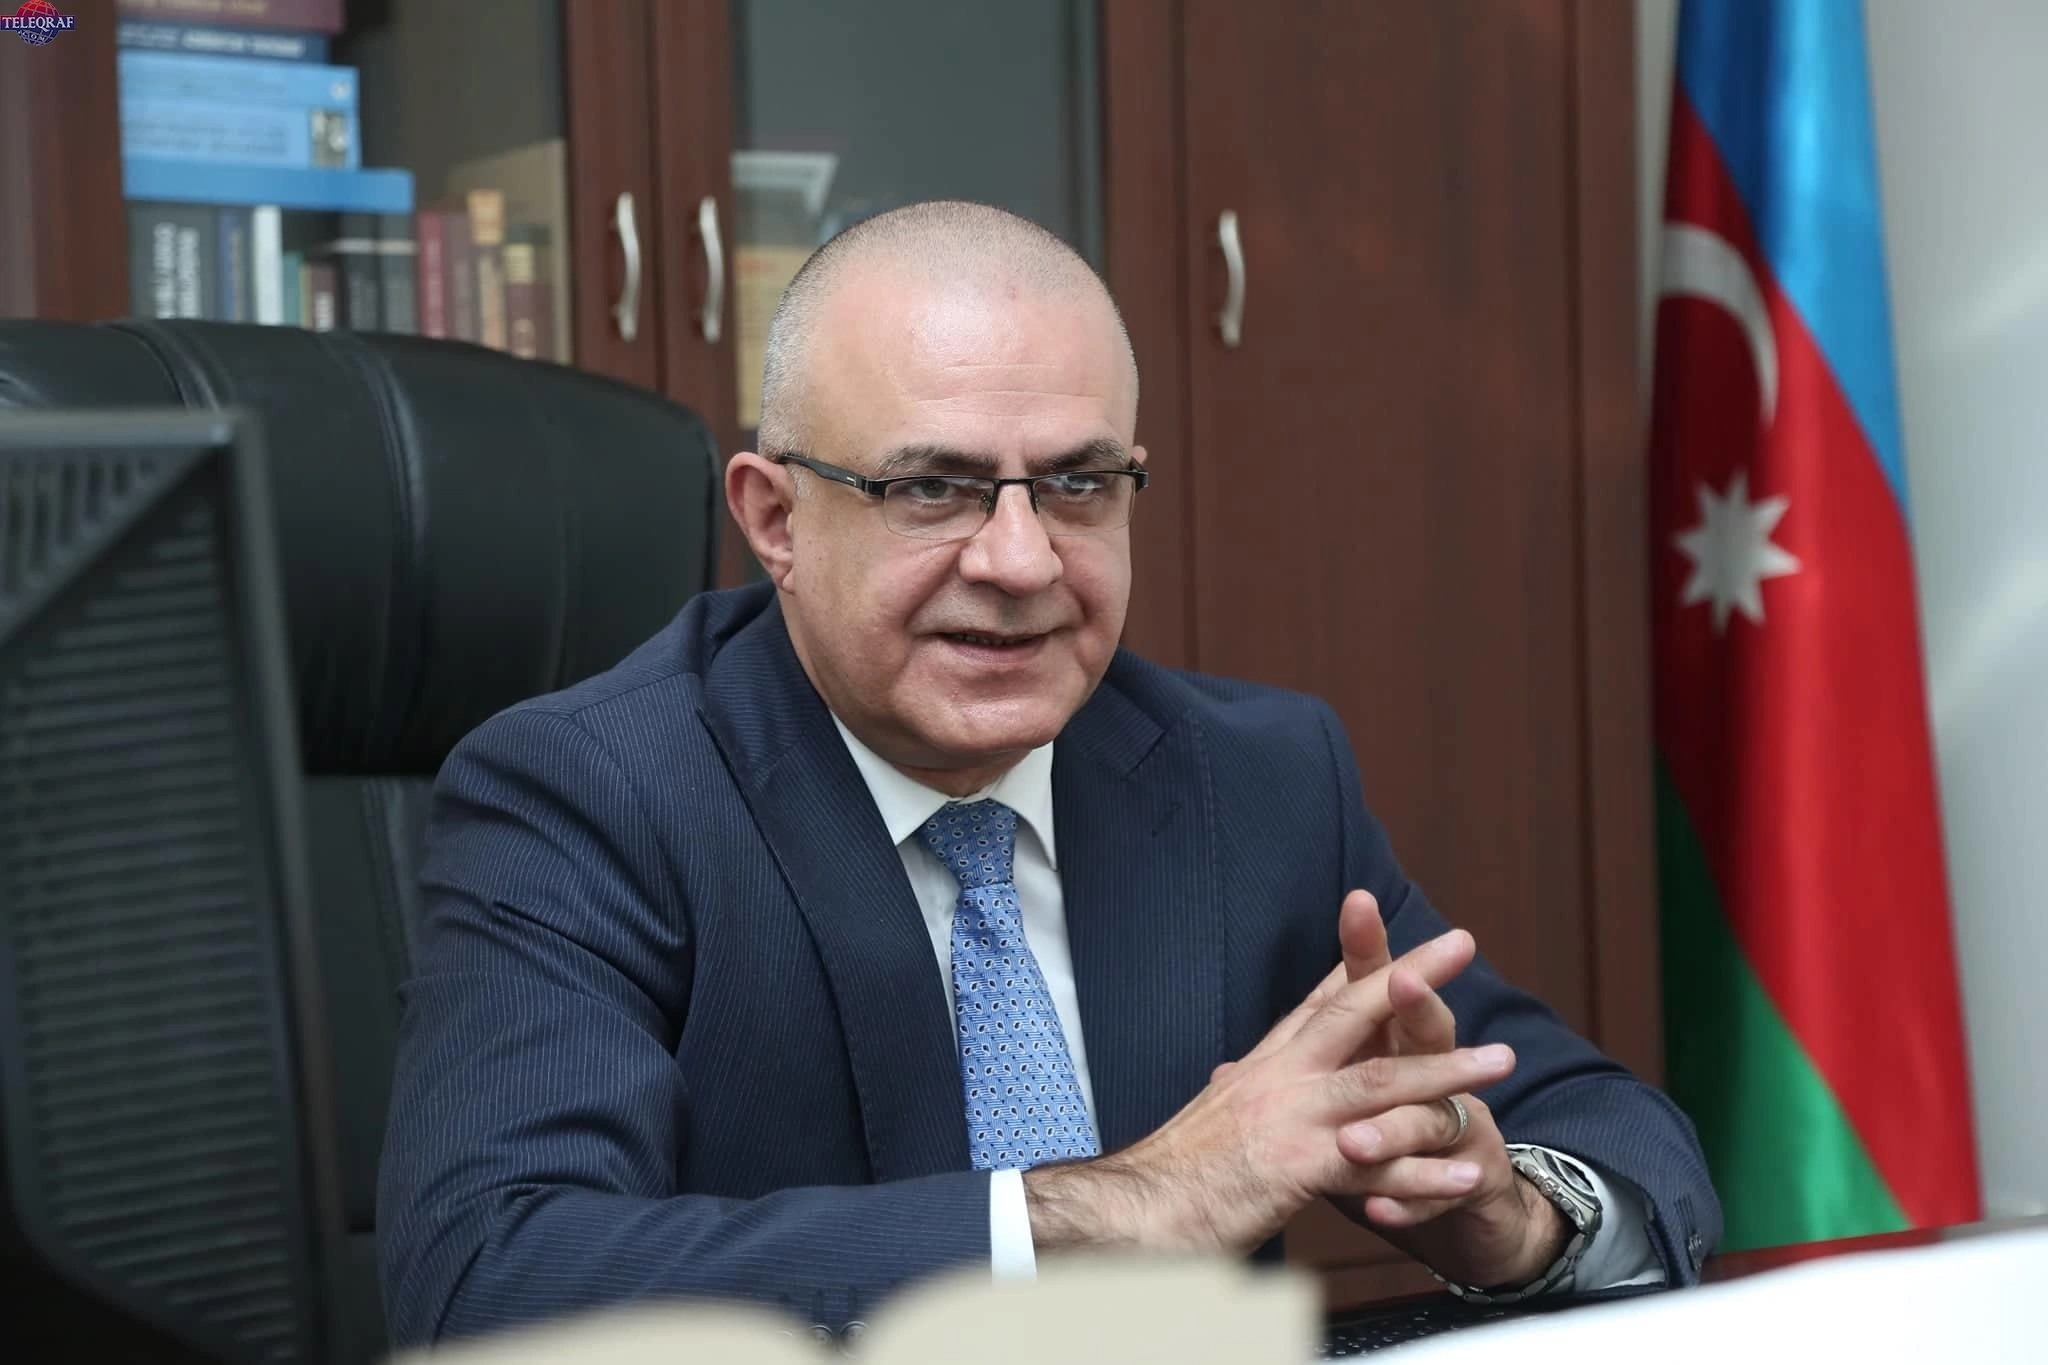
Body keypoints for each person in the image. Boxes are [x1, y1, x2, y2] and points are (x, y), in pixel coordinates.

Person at [376, 201, 1720, 1347]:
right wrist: (1116, 1208)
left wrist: (1508, 1216)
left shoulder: (1253, 779)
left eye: (1078, 485)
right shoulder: (591, 793)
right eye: (931, 489)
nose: (1021, 562)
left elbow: (1612, 1130)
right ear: (775, 518)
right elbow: (488, 1279)